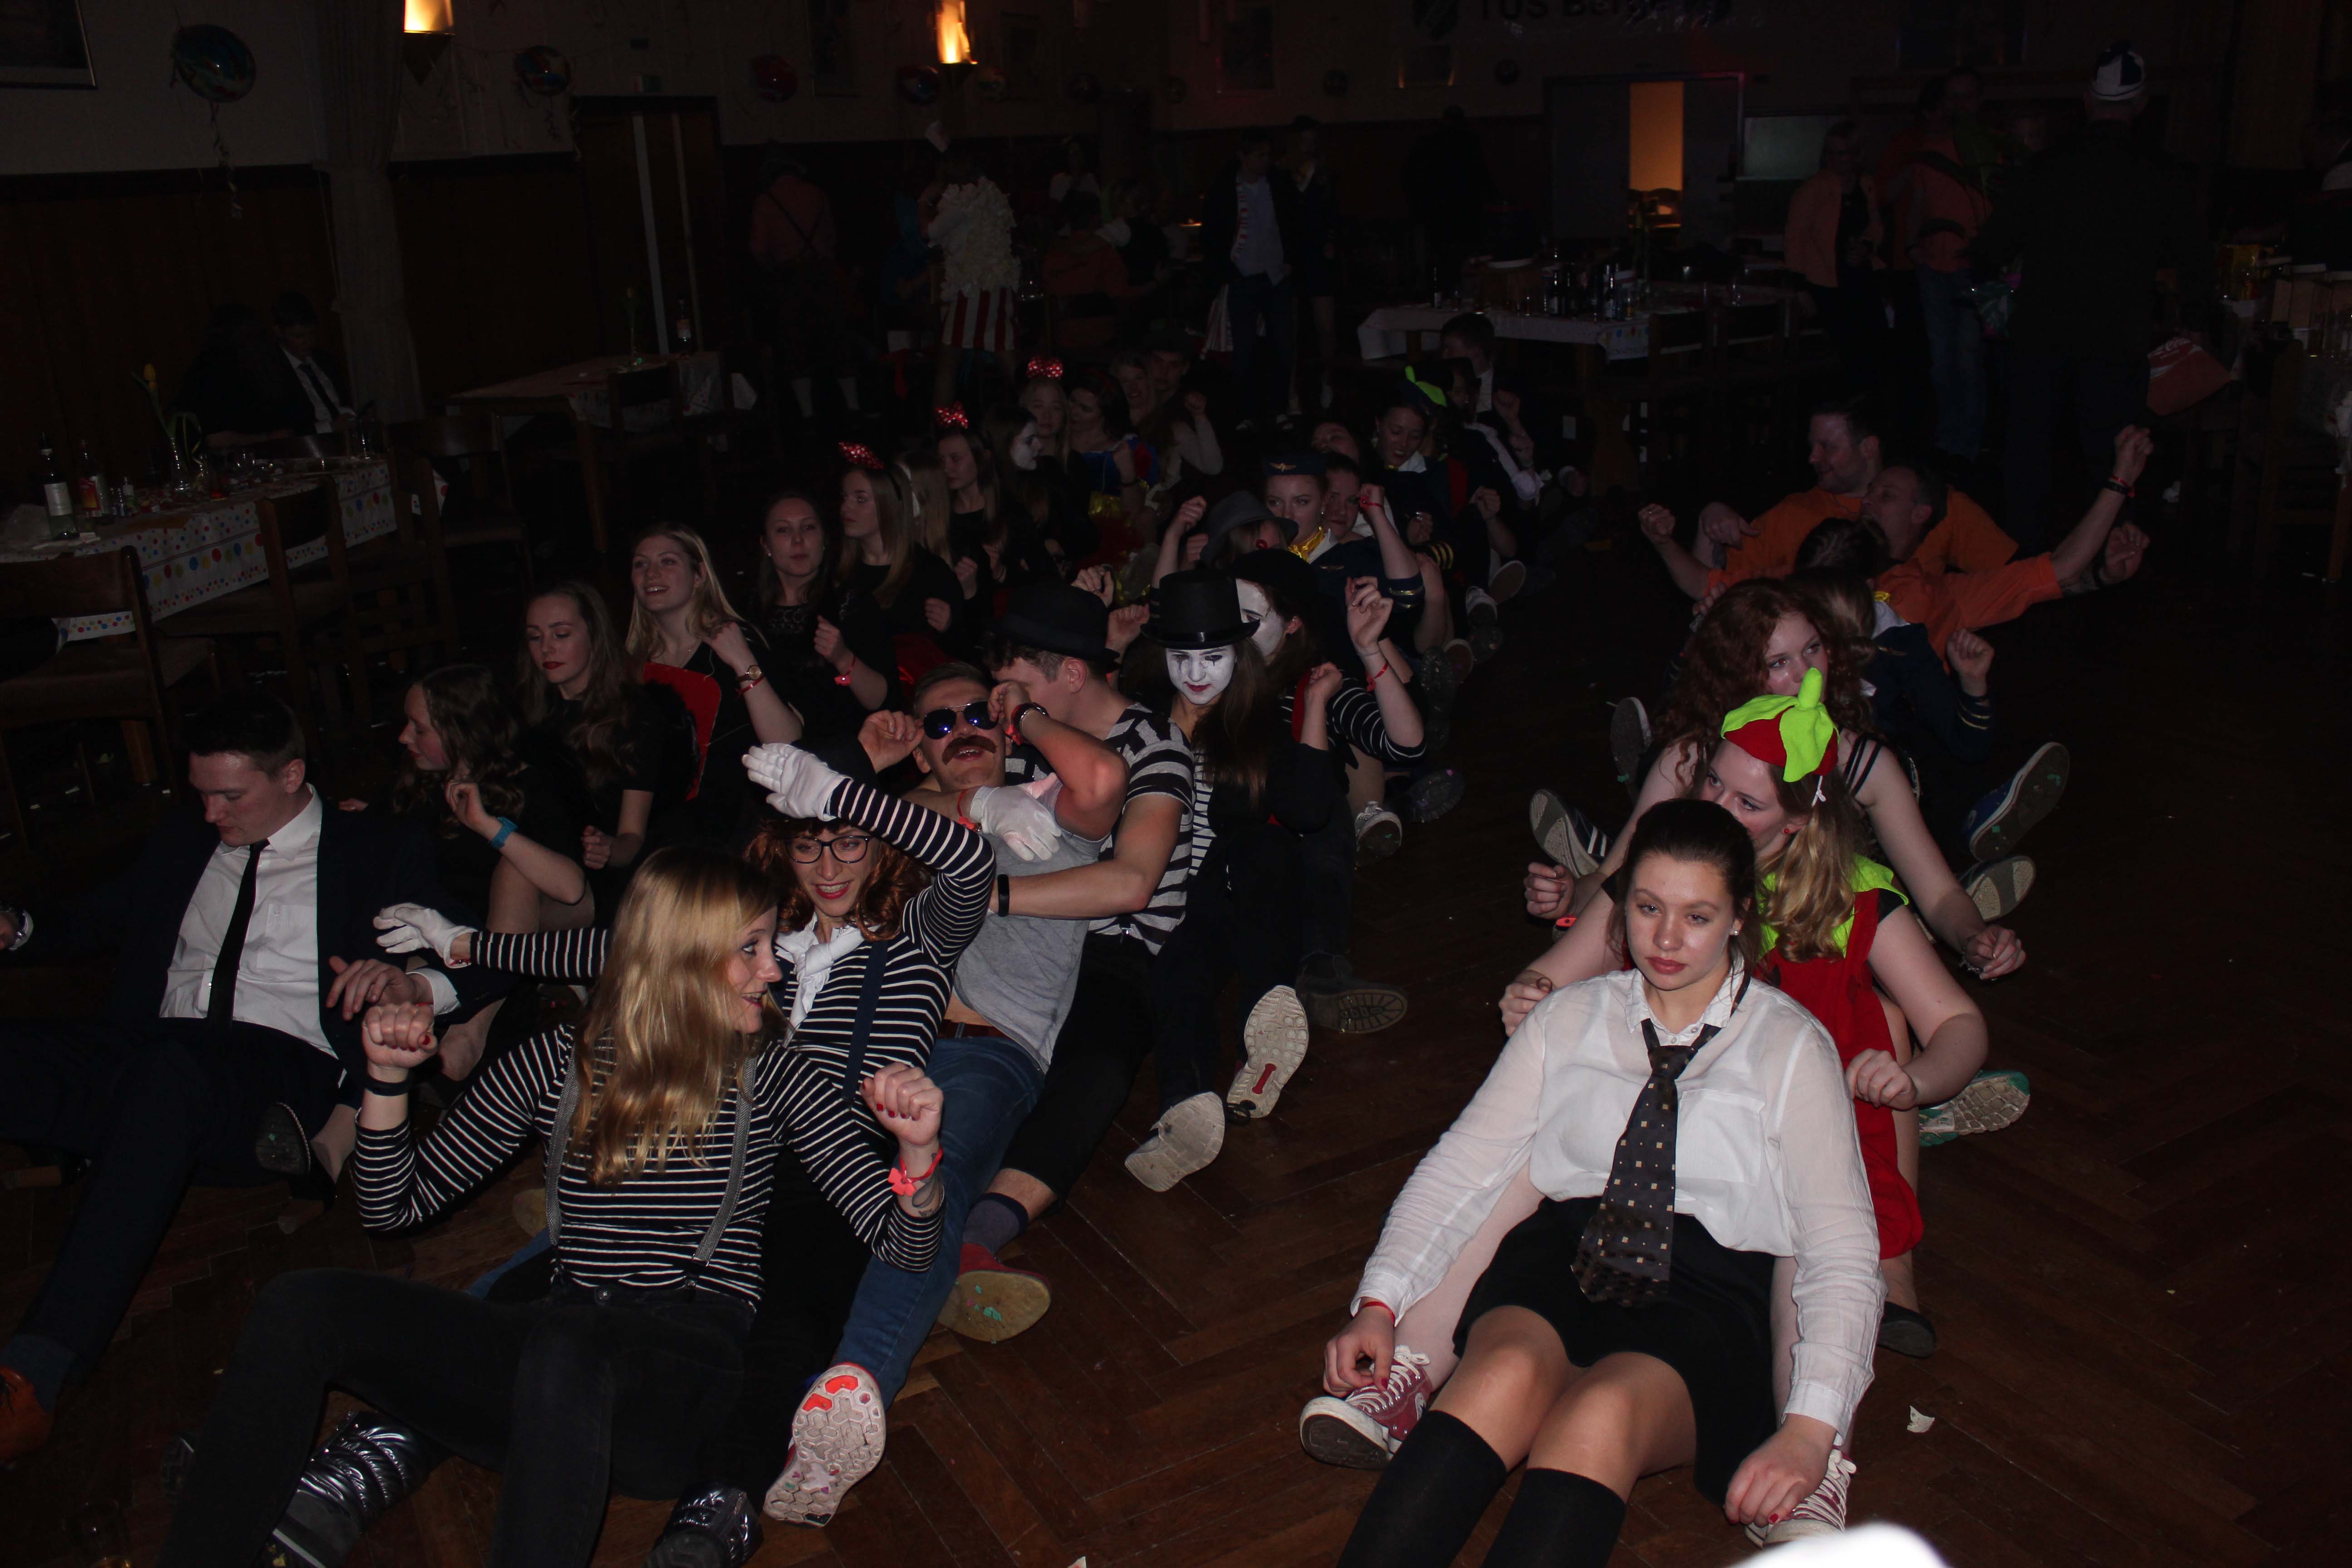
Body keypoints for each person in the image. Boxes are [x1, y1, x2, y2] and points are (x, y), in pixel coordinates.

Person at [158, 847, 950, 1567]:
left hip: (682, 1380)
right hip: (558, 1353)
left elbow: (904, 1247)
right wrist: (387, 1081)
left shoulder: (779, 1073)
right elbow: (393, 1207)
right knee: (301, 1302)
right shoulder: (554, 1063)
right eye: (750, 947)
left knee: (569, 1342)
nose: (772, 970)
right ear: (674, 955)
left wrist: (917, 1157)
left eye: (769, 944)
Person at [377, 742, 995, 1554]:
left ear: (881, 842)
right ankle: (396, 1435)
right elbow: (615, 950)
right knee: (552, 1272)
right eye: (808, 844)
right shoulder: (760, 935)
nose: (828, 865)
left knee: (790, 1322)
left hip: (825, 1162)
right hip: (708, 1135)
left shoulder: (916, 938)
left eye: (849, 841)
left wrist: (840, 792)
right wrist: (463, 948)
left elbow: (970, 864)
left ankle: (716, 1509)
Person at [1318, 798, 1882, 1565]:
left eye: (1697, 916)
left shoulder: (1790, 1048)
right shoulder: (1569, 1020)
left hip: (1708, 1298)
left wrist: (1812, 1430)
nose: (1666, 939)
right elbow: (1461, 1167)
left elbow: (1841, 1250)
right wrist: (1380, 1302)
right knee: (1499, 1374)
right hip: (1566, 1255)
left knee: (1599, 1414)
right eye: (1648, 908)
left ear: (1739, 917)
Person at [0, 690, 486, 1464]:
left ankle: (33, 1374)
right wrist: (16, 927)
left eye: (231, 795)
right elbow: (90, 920)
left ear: (292, 775)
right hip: (151, 1052)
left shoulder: (374, 846)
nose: (212, 813)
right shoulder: (183, 841)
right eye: (201, 794)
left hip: (277, 1074)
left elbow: (481, 956)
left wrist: (413, 984)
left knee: (173, 1071)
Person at [1517, 673, 1991, 1363]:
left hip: (1791, 1126)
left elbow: (1958, 1023)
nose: (1718, 807)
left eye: (1748, 802)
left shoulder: (1853, 899)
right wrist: (1530, 993)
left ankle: (1886, 1268)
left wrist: (1916, 1081)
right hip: (1677, 1107)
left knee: (1882, 1026)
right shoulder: (1665, 864)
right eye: (1713, 783)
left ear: (1798, 822)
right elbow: (1557, 972)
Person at [1552, 578, 2026, 978]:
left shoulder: (1859, 762)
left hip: (1806, 946)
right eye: (1779, 663)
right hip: (1703, 949)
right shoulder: (1694, 757)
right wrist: (1571, 897)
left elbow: (1939, 892)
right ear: (1739, 675)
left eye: (1813, 649)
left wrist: (1974, 939)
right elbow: (1613, 876)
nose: (1807, 673)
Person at [950, 584, 1197, 1323]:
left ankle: (976, 1238)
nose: (1001, 696)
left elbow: (1131, 883)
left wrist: (993, 896)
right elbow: (926, 804)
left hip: (1110, 948)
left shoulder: (1152, 743)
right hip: (1010, 942)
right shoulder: (1015, 740)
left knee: (1097, 1056)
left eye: (1016, 679)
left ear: (1069, 674)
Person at [1123, 570, 1340, 1187]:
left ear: (1238, 656)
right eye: (1182, 657)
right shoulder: (1137, 717)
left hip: (1222, 897)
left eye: (1213, 657)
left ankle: (1266, 1021)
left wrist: (1315, 708)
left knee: (1265, 847)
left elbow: (1308, 810)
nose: (1196, 672)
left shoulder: (1254, 721)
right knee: (1179, 971)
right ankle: (1184, 1111)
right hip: (1151, 903)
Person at [1968, 41, 2209, 548]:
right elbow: (2192, 258)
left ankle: (2026, 557)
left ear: (2086, 99)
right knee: (2114, 453)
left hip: (2042, 331)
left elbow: (1991, 248)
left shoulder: (2045, 168)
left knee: (2029, 449)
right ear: (2141, 104)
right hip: (2116, 336)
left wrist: (1990, 292)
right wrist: (2195, 318)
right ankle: (2113, 550)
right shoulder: (2162, 173)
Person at [1231, 548, 1421, 1031]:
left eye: (1251, 616)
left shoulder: (1315, 681)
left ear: (1292, 624)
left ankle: (1319, 974)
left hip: (1304, 828)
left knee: (1326, 821)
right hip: (1232, 840)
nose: (1235, 627)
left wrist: (1369, 650)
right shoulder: (1204, 672)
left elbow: (1406, 744)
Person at [389, 663, 591, 1078]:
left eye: (419, 728)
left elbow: (571, 889)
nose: (404, 737)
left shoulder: (529, 782)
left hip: (553, 917)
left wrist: (487, 827)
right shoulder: (419, 784)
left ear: (460, 732)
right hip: (468, 928)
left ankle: (473, 1027)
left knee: (515, 869)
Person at [1675, 397, 2015, 590]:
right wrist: (1710, 518)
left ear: (1868, 449)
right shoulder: (1793, 513)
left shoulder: (1934, 502)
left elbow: (2012, 579)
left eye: (1828, 447)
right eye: (1812, 446)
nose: (1813, 458)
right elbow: (1709, 587)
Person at [517, 584, 698, 912]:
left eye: (561, 634)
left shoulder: (636, 716)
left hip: (602, 879)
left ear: (594, 637)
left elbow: (632, 838)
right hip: (539, 859)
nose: (546, 648)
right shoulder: (527, 714)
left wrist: (607, 848)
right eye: (535, 637)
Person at [628, 525, 802, 850]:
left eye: (667, 561)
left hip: (740, 832)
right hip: (666, 839)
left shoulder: (737, 641)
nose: (651, 573)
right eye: (641, 564)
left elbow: (788, 741)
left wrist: (742, 662)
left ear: (699, 575)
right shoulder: (633, 667)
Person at [751, 489, 898, 746]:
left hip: (846, 751)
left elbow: (881, 699)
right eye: (784, 530)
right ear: (766, 545)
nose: (798, 540)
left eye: (808, 528)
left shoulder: (851, 602)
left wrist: (843, 658)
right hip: (775, 756)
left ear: (824, 539)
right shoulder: (749, 613)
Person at [750, 149, 861, 420]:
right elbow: (832, 239)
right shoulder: (817, 195)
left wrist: (774, 267)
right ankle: (854, 406)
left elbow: (757, 249)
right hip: (824, 275)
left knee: (795, 346)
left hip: (790, 279)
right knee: (838, 340)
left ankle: (807, 414)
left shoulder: (766, 201)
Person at [1201, 128, 1299, 427]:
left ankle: (1278, 407)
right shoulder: (1224, 189)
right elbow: (1213, 234)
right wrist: (1228, 271)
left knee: (1282, 346)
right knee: (1243, 348)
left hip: (1275, 276)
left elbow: (1294, 222)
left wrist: (1291, 260)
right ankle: (1245, 412)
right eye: (1259, 155)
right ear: (1243, 157)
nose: (1265, 161)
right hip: (1243, 277)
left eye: (1268, 155)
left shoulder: (1279, 185)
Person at [834, 449, 969, 657]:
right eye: (844, 498)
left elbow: (964, 649)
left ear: (889, 504)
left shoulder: (929, 572)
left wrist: (949, 626)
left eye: (860, 499)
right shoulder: (836, 569)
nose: (846, 508)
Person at [1785, 122, 1886, 395]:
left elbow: (1875, 225)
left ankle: (1868, 406)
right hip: (1826, 281)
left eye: (1842, 153)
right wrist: (1800, 287)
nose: (1835, 159)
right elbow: (1795, 239)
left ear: (1856, 155)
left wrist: (1867, 245)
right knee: (1848, 353)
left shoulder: (1865, 185)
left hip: (1860, 276)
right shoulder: (1814, 189)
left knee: (1875, 347)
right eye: (1830, 153)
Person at [923, 147, 1021, 404]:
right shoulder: (990, 196)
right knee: (1008, 358)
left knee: (948, 363)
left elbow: (929, 233)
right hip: (998, 288)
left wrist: (923, 202)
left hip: (974, 291)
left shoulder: (961, 203)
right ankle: (1034, 415)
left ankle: (944, 425)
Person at [172, 303, 296, 450]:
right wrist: (268, 439)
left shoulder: (241, 367)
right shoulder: (212, 372)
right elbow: (217, 439)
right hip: (231, 459)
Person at [1283, 116, 1340, 415]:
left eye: (1312, 140)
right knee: (1289, 331)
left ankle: (1327, 381)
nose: (1308, 146)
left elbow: (1336, 213)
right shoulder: (1282, 175)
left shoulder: (1325, 175)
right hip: (1290, 260)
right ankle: (1291, 391)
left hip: (1319, 258)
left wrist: (1331, 241)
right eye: (1303, 141)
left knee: (1326, 327)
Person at [1039, 189, 1141, 352]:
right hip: (1103, 342)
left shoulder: (1052, 255)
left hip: (1061, 342)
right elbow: (1122, 297)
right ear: (1096, 218)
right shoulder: (1106, 253)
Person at [266, 292, 353, 439]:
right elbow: (283, 428)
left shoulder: (325, 360)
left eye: (312, 334)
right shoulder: (273, 372)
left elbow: (341, 401)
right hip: (308, 444)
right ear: (279, 332)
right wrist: (329, 427)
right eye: (299, 336)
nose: (308, 342)